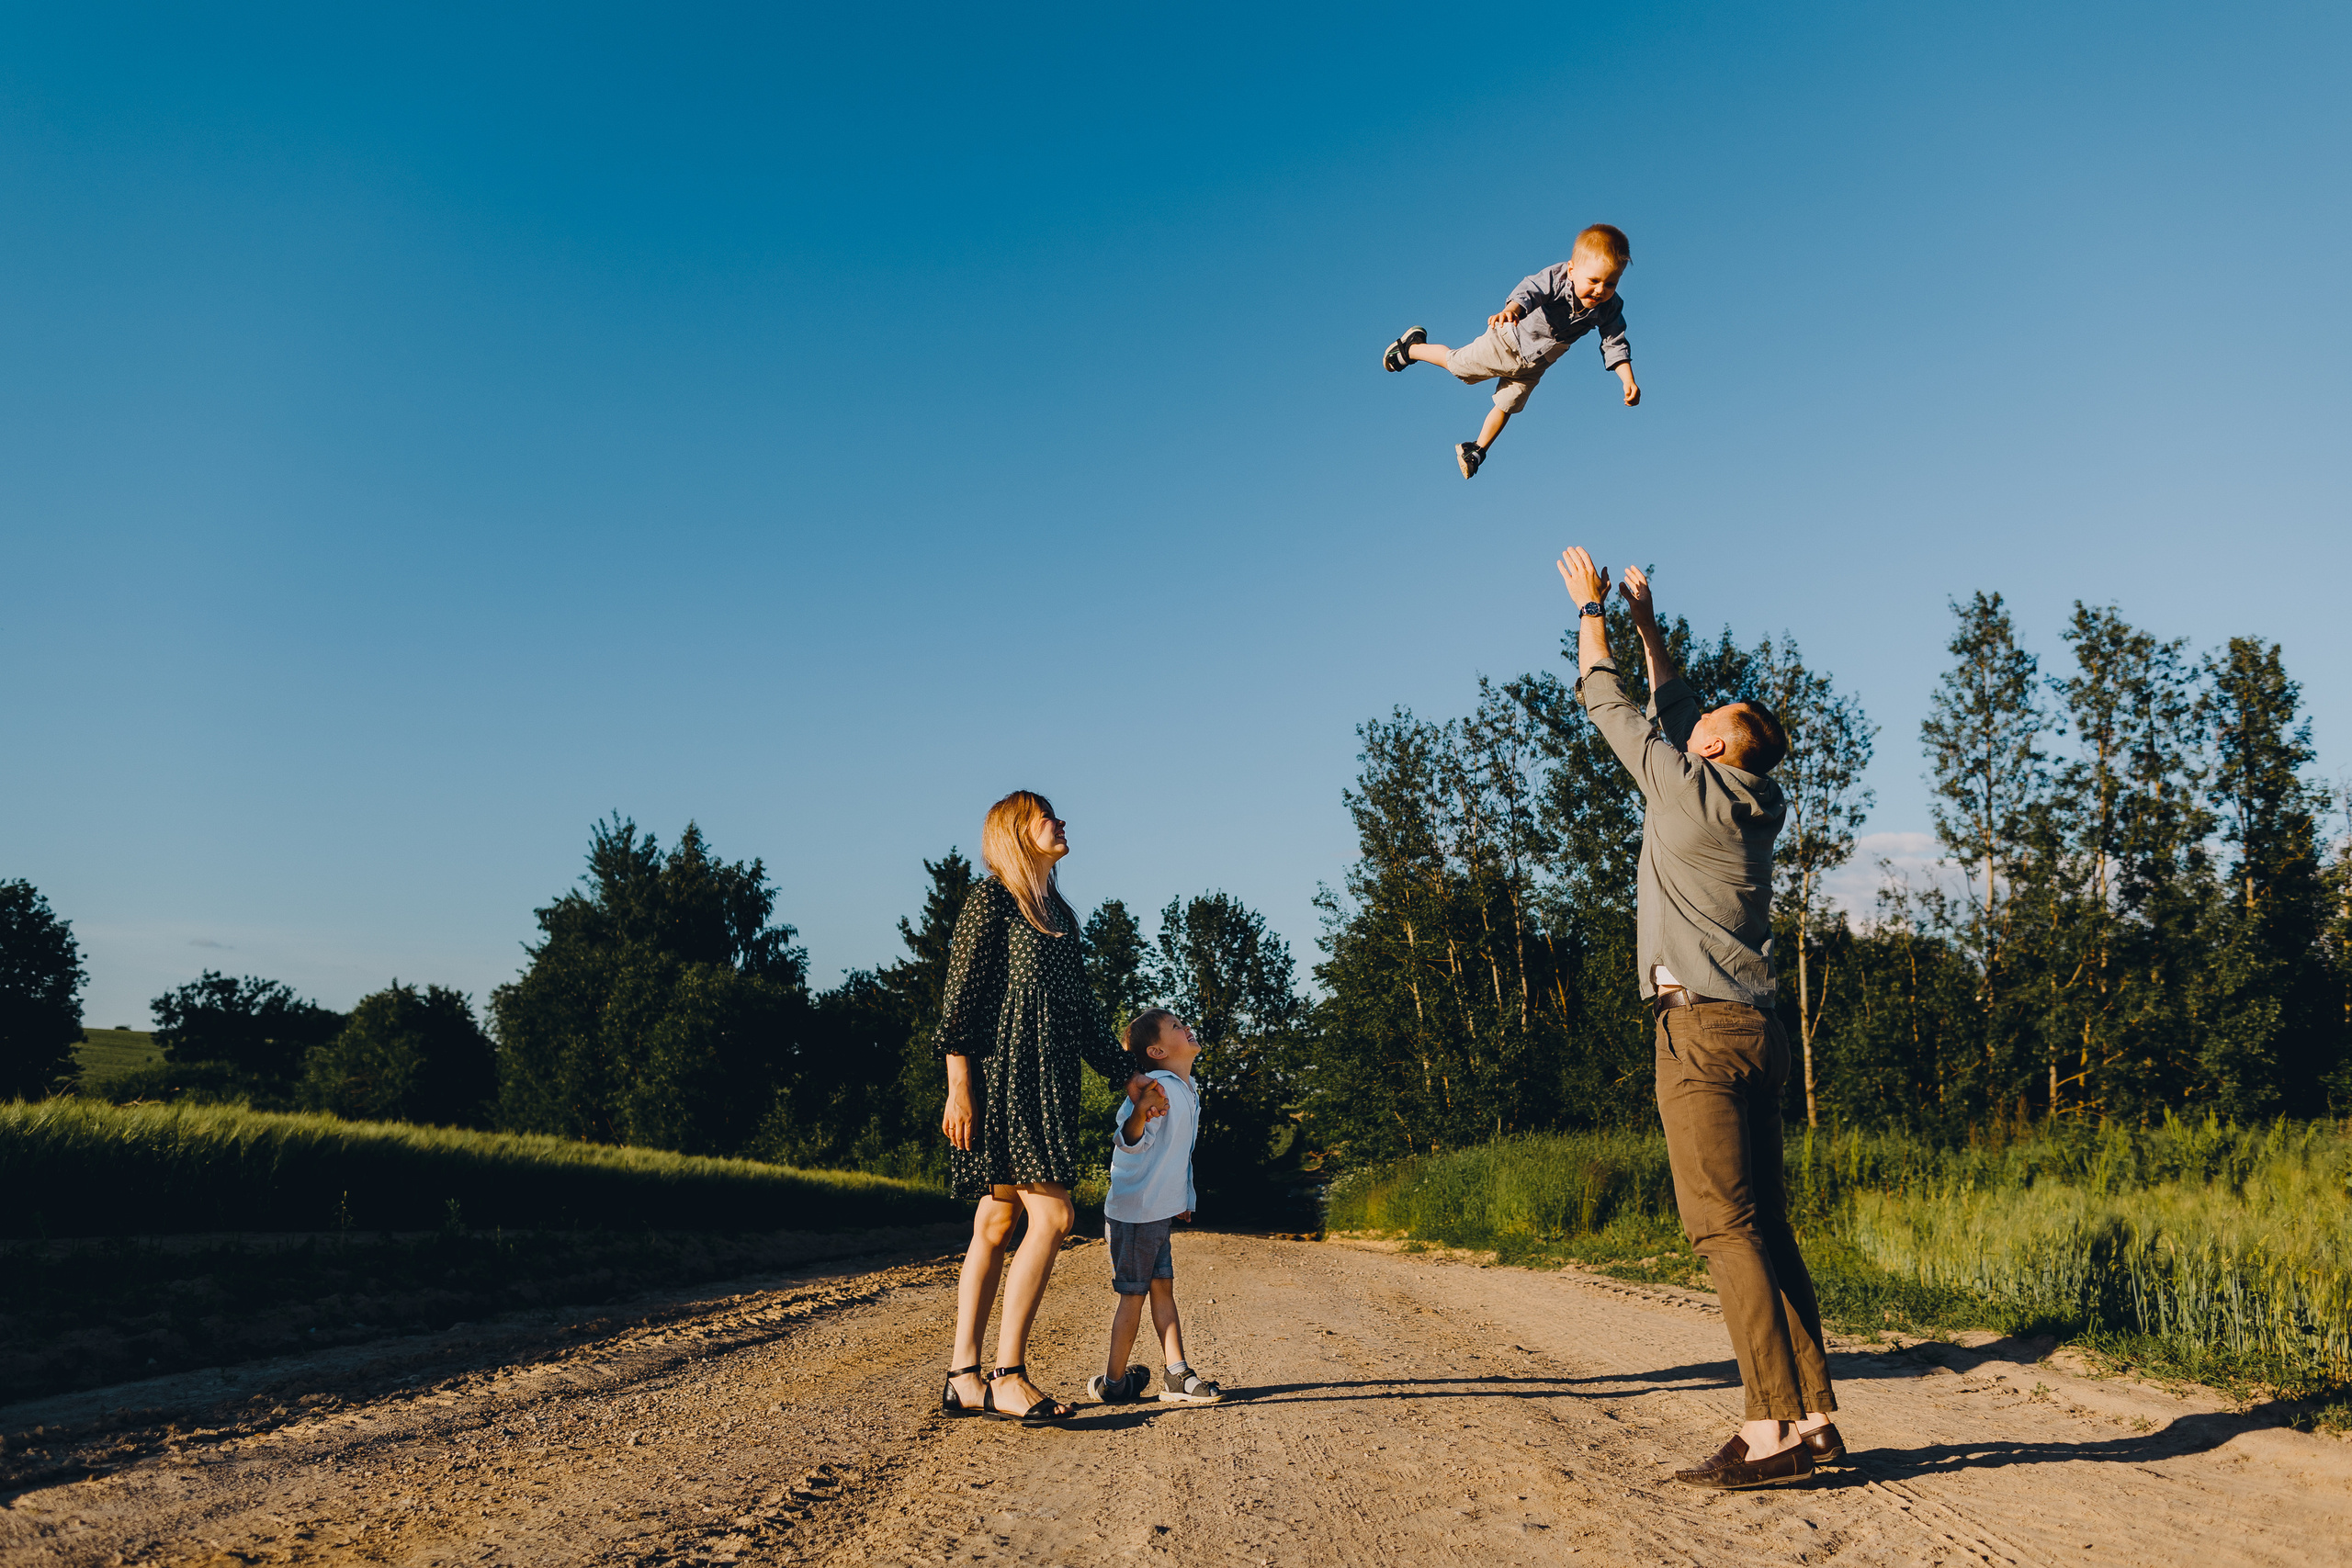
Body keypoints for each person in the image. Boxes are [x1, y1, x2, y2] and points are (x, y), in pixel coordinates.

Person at [1555, 547, 1843, 1490]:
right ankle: (1811, 1415)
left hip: (1700, 1036)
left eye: (1709, 724)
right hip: (1756, 1027)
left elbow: (1608, 706)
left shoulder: (1682, 790)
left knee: (1722, 1231)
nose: (1695, 722)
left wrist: (1591, 610)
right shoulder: (1750, 798)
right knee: (1767, 1229)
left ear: (1713, 750)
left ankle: (1767, 1431)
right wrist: (1648, 621)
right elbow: (1675, 708)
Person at [936, 790, 1159, 1427]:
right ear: (1015, 831)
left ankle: (964, 1377)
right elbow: (961, 1002)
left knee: (997, 1217)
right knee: (1054, 1213)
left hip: (1048, 1078)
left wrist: (1130, 1078)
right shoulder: (992, 901)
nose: (1060, 822)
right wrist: (959, 1084)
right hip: (1006, 1079)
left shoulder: (1057, 913)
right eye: (1045, 816)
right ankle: (1007, 1375)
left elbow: (1084, 1017)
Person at [1382, 224, 1640, 479]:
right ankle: (1411, 347)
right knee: (1458, 366)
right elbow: (1531, 291)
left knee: (1509, 404)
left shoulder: (1610, 308)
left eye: (1610, 284)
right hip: (1508, 342)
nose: (1600, 290)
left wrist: (1627, 379)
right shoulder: (1557, 278)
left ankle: (1476, 450)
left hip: (1536, 364)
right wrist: (1513, 310)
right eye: (1594, 281)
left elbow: (1614, 341)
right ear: (1572, 270)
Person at [1086, 1008, 1224, 1406]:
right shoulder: (1156, 1089)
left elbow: (1179, 1155)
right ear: (1157, 1050)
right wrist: (1139, 1115)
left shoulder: (1185, 1088)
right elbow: (1129, 1139)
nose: (1188, 1027)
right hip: (1133, 1212)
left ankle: (1176, 1374)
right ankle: (1113, 1385)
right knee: (1135, 1293)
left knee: (1163, 1286)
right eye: (1177, 1027)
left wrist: (1183, 1199)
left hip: (1156, 1211)